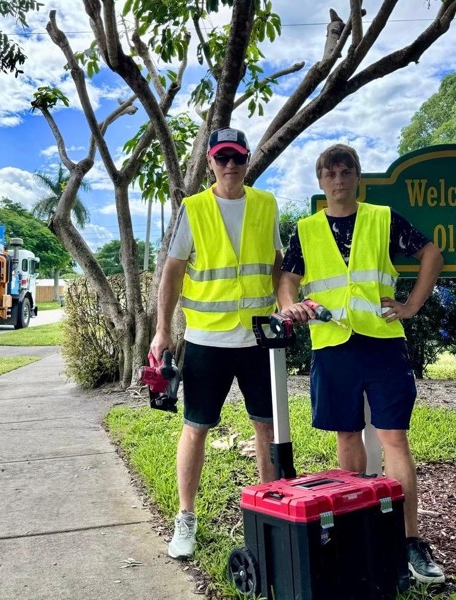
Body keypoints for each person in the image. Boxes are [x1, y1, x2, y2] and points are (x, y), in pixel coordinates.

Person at [277, 143, 446, 584]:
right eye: (329, 173)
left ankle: (409, 541)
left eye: (345, 171)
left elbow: (432, 254)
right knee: (347, 435)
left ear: (357, 177)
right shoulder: (306, 229)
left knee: (394, 438)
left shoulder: (382, 218)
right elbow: (288, 280)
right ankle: (353, 529)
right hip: (333, 345)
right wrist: (290, 305)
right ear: (320, 181)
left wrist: (411, 305)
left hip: (382, 342)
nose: (338, 180)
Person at [150, 127, 282, 560]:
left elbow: (279, 267)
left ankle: (273, 514)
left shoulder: (266, 204)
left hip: (259, 337)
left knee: (268, 426)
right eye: (222, 158)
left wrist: (286, 308)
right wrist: (162, 330)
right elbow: (172, 272)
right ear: (210, 162)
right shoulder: (194, 209)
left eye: (237, 158)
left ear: (247, 160)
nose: (230, 166)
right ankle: (185, 518)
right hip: (208, 340)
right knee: (196, 428)